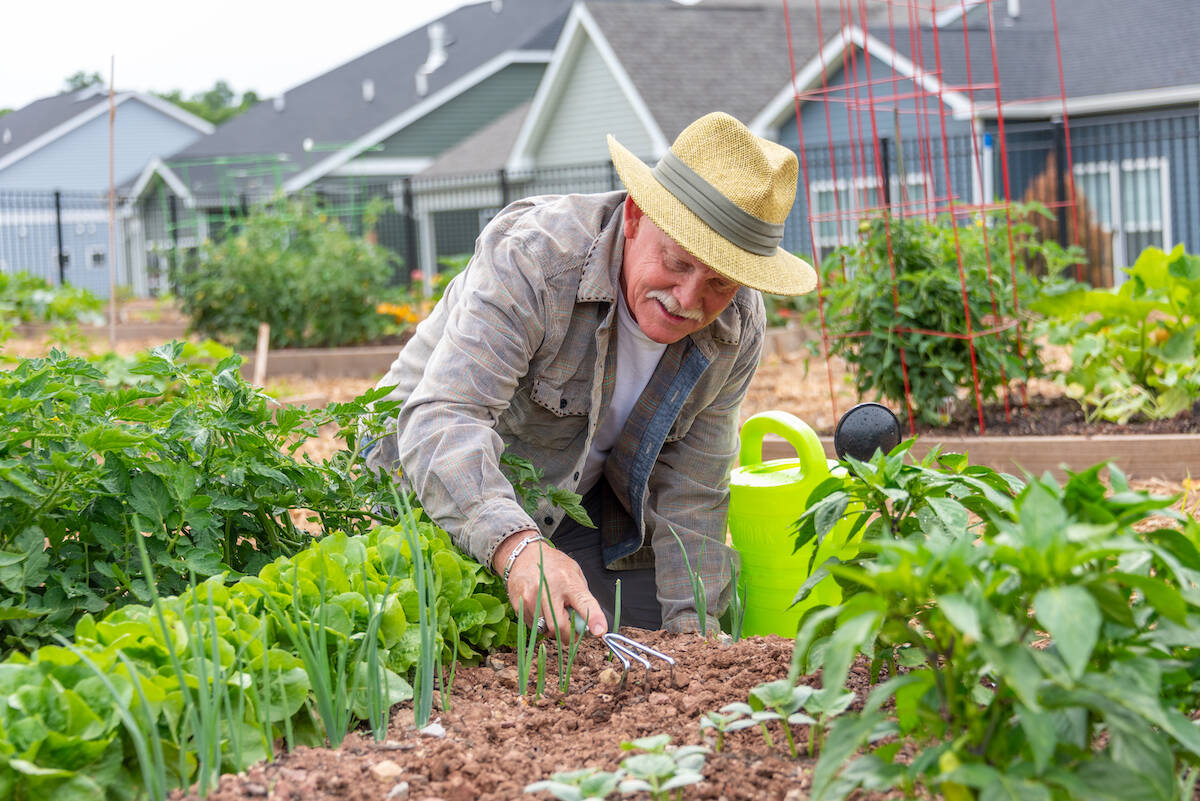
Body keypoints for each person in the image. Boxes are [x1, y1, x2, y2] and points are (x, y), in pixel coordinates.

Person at [366, 111, 815, 638]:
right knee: (487, 639)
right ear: (634, 216)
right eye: (677, 262)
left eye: (720, 283)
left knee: (638, 630)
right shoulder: (534, 258)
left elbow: (693, 485)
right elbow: (443, 418)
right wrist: (518, 548)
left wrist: (697, 635)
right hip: (424, 473)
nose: (689, 299)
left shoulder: (736, 326)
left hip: (576, 497)